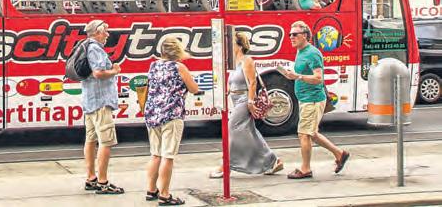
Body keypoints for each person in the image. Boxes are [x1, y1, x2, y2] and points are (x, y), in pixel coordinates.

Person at [210, 33, 283, 178]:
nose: (228, 46)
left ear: (239, 45)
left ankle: (226, 165)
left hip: (244, 101)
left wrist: (250, 102)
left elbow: (252, 82)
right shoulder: (234, 62)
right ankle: (272, 161)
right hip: (236, 99)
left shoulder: (247, 60)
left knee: (231, 129)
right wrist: (222, 97)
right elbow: (232, 83)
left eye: (231, 43)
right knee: (250, 132)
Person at [283, 20, 350, 179]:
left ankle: (305, 169)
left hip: (312, 99)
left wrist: (298, 76)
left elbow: (318, 78)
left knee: (303, 134)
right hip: (305, 98)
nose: (291, 37)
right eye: (290, 34)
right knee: (312, 133)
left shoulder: (312, 53)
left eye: (295, 34)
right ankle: (340, 154)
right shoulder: (300, 51)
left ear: (305, 36)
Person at [144, 36, 199, 205]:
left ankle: (151, 190)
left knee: (155, 154)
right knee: (168, 155)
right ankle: (165, 194)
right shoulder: (179, 67)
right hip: (171, 114)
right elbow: (194, 88)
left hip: (152, 114)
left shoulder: (154, 65)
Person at [81, 19, 124, 195]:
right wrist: (114, 71)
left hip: (90, 101)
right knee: (106, 142)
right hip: (101, 102)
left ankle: (91, 178)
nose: (107, 34)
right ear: (97, 33)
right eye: (105, 31)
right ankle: (103, 182)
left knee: (90, 140)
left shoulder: (86, 46)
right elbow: (98, 73)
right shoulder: (95, 49)